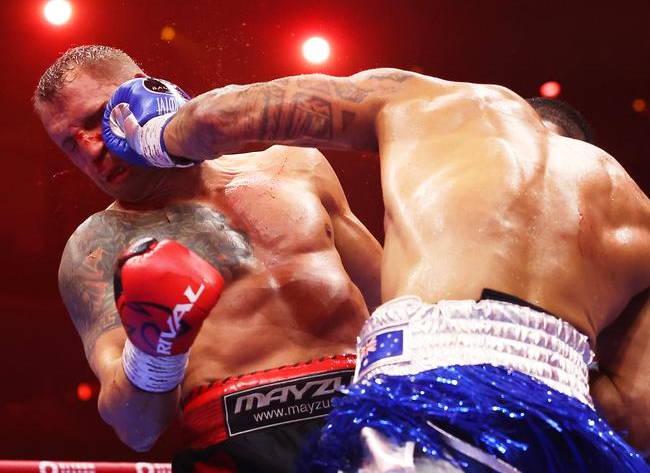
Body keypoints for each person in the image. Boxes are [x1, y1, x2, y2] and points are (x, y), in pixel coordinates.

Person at [105, 67, 650, 471]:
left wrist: (151, 138)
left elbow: (223, 116)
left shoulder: (442, 105)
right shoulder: (637, 215)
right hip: (571, 436)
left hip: (429, 397)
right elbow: (634, 414)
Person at [33, 45, 382, 473]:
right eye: (69, 143)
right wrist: (153, 350)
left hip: (372, 419)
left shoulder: (296, 166)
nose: (89, 150)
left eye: (94, 119)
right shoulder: (96, 246)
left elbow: (395, 299)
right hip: (238, 445)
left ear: (149, 93)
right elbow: (136, 430)